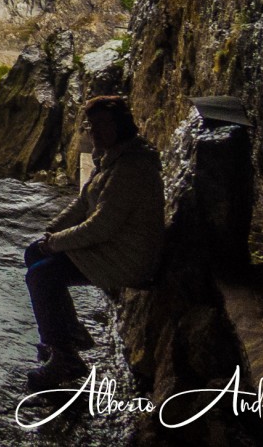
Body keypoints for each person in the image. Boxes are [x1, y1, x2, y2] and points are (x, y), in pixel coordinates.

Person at [24, 95, 164, 390]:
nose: (95, 132)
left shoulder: (131, 168)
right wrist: (50, 233)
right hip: (115, 245)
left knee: (42, 274)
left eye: (103, 125)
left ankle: (65, 360)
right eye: (92, 125)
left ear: (121, 126)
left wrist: (55, 243)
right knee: (34, 253)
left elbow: (100, 227)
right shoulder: (115, 157)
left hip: (127, 258)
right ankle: (68, 333)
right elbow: (82, 203)